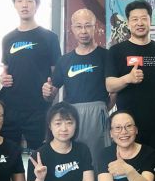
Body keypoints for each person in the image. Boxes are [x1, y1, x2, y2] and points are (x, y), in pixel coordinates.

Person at [0, 0, 62, 150]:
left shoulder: (50, 37)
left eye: (29, 1)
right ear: (15, 5)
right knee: (9, 153)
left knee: (38, 153)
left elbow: (57, 72)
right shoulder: (8, 38)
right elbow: (5, 68)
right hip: (11, 106)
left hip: (38, 107)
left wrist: (52, 91)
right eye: (19, 1)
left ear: (37, 5)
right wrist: (3, 77)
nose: (24, 5)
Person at [42, 9, 112, 162]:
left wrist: (103, 108)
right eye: (79, 26)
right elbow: (51, 95)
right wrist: (47, 92)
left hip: (97, 113)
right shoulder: (64, 60)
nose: (83, 31)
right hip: (71, 115)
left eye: (88, 26)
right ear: (72, 29)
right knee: (71, 156)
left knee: (97, 158)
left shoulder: (106, 56)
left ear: (95, 27)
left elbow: (114, 92)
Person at [106, 0, 155, 165]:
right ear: (128, 22)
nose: (139, 23)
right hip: (126, 125)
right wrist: (128, 79)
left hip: (154, 121)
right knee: (125, 168)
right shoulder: (116, 51)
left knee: (153, 169)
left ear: (150, 21)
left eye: (144, 18)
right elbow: (110, 85)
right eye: (134, 19)